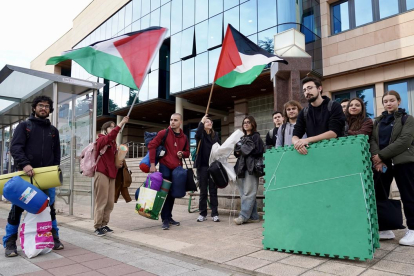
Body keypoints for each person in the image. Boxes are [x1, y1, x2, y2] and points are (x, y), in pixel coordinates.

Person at [3, 95, 63, 257]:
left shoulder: (53, 131)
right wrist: (25, 164)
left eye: (47, 106)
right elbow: (16, 148)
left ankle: (54, 237)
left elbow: (56, 154)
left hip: (46, 177)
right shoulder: (24, 126)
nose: (44, 108)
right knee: (17, 208)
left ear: (50, 110)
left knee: (49, 208)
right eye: (40, 105)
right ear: (34, 108)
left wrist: (54, 172)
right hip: (25, 177)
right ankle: (10, 242)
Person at [369, 90, 414, 246]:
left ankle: (413, 230)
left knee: (408, 195)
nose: (388, 103)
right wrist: (378, 160)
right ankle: (385, 229)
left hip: (403, 163)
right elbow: (373, 140)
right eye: (386, 101)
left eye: (392, 100)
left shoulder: (407, 119)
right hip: (382, 164)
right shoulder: (378, 121)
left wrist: (381, 155)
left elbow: (405, 141)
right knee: (380, 195)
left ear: (399, 101)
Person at [148, 113, 190, 230]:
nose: (172, 122)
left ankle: (169, 217)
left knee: (172, 194)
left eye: (175, 120)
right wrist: (152, 164)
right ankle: (164, 219)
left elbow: (187, 152)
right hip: (165, 167)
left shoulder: (184, 137)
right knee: (164, 193)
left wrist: (183, 154)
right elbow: (151, 146)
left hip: (177, 169)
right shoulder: (164, 133)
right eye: (171, 120)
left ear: (180, 122)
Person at [93, 116, 129, 237]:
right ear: (105, 129)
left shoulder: (113, 144)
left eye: (114, 127)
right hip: (102, 172)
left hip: (112, 174)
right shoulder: (101, 139)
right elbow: (110, 136)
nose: (113, 129)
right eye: (111, 127)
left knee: (109, 202)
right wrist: (121, 123)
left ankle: (104, 224)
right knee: (101, 200)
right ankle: (97, 226)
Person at [292, 77, 346, 155]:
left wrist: (307, 140)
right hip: (314, 154)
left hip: (334, 152)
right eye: (304, 90)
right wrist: (297, 144)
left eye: (309, 88)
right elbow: (296, 134)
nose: (307, 92)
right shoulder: (304, 112)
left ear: (319, 88)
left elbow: (334, 133)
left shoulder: (334, 106)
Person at [233, 116, 264, 225]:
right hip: (241, 168)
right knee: (244, 194)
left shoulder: (256, 137)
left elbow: (259, 151)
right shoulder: (242, 138)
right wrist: (240, 150)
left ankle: (243, 216)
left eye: (248, 122)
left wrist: (243, 150)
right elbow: (237, 152)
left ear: (253, 124)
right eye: (244, 122)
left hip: (251, 168)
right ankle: (254, 216)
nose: (246, 124)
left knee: (249, 193)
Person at [194, 115, 221, 222]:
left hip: (213, 166)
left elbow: (219, 148)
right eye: (207, 122)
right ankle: (202, 213)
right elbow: (197, 134)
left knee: (213, 191)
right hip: (202, 166)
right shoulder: (201, 135)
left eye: (210, 122)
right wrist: (201, 121)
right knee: (203, 191)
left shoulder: (216, 135)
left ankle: (215, 213)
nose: (209, 123)